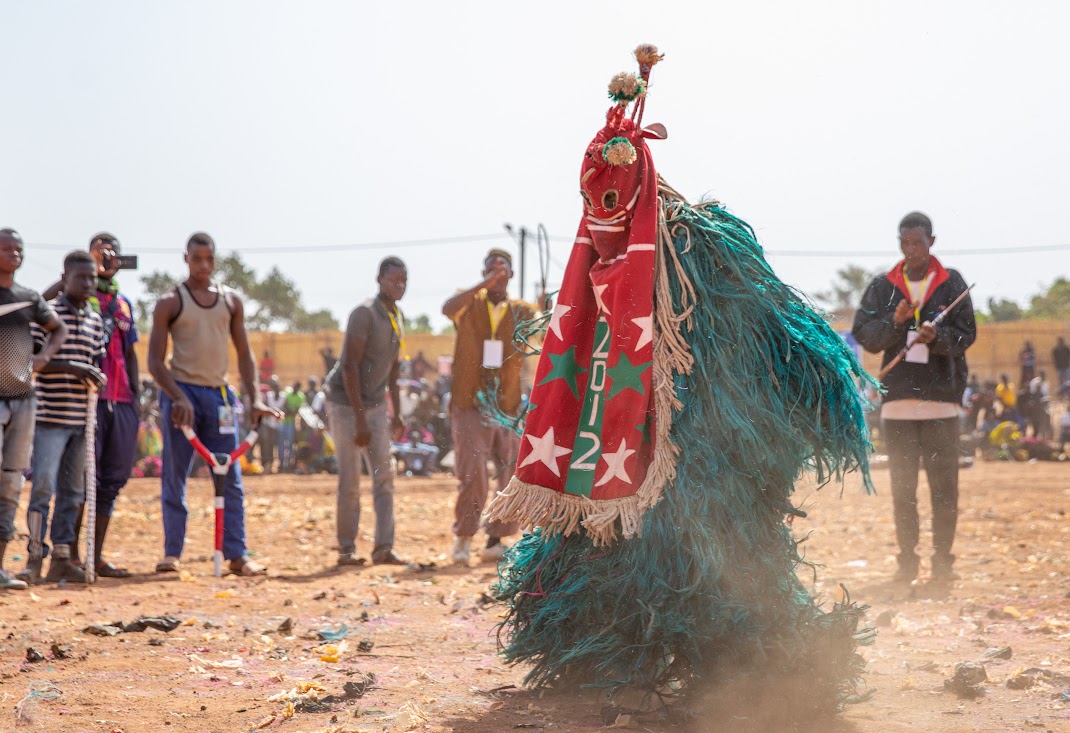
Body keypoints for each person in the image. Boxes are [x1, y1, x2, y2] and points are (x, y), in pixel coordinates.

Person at [485, 47, 874, 719]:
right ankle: (612, 659)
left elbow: (775, 320)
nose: (603, 214)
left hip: (706, 460)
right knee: (608, 573)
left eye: (613, 198)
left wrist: (810, 400)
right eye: (592, 202)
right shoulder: (586, 283)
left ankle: (757, 678)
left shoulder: (703, 248)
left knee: (716, 574)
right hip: (607, 470)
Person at [853, 211, 976, 583]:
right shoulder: (882, 287)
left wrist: (936, 338)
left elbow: (967, 334)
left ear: (932, 242)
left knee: (944, 490)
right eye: (905, 243)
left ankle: (943, 563)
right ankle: (907, 561)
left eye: (919, 243)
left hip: (942, 403)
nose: (912, 250)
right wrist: (895, 321)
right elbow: (865, 334)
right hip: (899, 406)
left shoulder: (952, 283)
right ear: (899, 244)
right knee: (903, 490)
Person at [147, 233, 279, 576]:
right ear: (186, 259)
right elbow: (155, 363)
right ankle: (172, 553)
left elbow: (245, 354)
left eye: (209, 258)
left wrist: (254, 400)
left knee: (230, 475)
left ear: (215, 260)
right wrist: (177, 396)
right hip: (182, 396)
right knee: (175, 476)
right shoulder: (170, 302)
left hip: (220, 396)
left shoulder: (231, 301)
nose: (203, 265)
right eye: (196, 258)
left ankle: (237, 555)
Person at [38, 233, 141, 578]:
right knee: (77, 482)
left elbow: (130, 353)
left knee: (110, 481)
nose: (107, 259)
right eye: (100, 253)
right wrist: (84, 266)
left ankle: (94, 556)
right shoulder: (74, 298)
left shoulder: (122, 303)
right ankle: (65, 556)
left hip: (121, 400)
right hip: (82, 403)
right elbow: (40, 307)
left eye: (113, 253)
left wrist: (137, 401)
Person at [442, 250, 535, 563]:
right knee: (473, 471)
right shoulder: (468, 303)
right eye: (491, 269)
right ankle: (464, 537)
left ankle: (496, 539)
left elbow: (541, 332)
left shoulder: (521, 310)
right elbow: (446, 309)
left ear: (511, 275)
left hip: (507, 405)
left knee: (509, 471)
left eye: (504, 269)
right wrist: (482, 284)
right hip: (470, 402)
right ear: (482, 273)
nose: (498, 274)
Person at [19, 250, 106, 584]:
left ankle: (62, 557)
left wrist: (94, 375)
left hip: (81, 420)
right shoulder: (49, 316)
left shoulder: (96, 321)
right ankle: (33, 557)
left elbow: (94, 363)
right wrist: (72, 368)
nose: (87, 284)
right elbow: (31, 362)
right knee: (42, 487)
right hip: (49, 417)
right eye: (80, 277)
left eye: (92, 278)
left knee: (74, 492)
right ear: (64, 278)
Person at [324, 257, 407, 567]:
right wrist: (360, 418)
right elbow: (349, 365)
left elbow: (394, 369)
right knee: (350, 479)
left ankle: (383, 548)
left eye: (404, 281)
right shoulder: (364, 313)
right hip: (346, 405)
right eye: (394, 279)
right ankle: (347, 549)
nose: (399, 286)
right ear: (379, 279)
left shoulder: (397, 315)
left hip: (374, 405)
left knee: (384, 476)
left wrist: (396, 412)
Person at [0, 229, 67, 590]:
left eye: (19, 249)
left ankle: (0, 567)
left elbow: (58, 329)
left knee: (11, 481)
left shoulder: (27, 298)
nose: (15, 253)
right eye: (7, 248)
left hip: (23, 398)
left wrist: (42, 358)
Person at [259, 377, 284, 473]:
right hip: (267, 424)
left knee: (274, 445)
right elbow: (264, 408)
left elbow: (285, 409)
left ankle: (272, 464)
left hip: (277, 426)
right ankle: (266, 464)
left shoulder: (283, 397)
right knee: (266, 445)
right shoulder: (268, 396)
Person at [279, 381, 304, 472]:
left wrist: (289, 410)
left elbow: (294, 411)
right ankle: (281, 465)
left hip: (291, 423)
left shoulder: (300, 397)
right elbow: (284, 408)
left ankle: (288, 465)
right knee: (282, 444)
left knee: (289, 445)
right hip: (283, 422)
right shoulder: (287, 394)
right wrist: (290, 410)